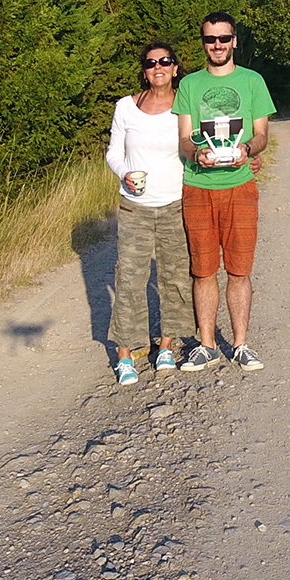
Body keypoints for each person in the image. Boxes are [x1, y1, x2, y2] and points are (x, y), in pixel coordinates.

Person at [175, 12, 275, 371]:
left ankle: (241, 343)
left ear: (234, 41)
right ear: (203, 43)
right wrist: (196, 153)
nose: (216, 45)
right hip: (198, 188)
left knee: (239, 270)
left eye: (223, 38)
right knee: (202, 270)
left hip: (240, 187)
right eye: (209, 39)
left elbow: (262, 134)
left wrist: (248, 150)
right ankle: (205, 344)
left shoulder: (253, 81)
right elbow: (185, 139)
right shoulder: (189, 85)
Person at [103, 41, 193, 386]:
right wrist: (124, 172)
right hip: (135, 206)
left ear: (174, 69)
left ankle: (167, 345)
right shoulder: (125, 107)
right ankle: (126, 354)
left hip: (175, 203)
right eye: (151, 62)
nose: (158, 67)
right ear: (144, 70)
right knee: (129, 278)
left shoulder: (184, 108)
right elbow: (113, 152)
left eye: (165, 61)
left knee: (173, 276)